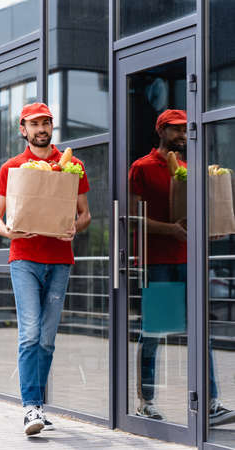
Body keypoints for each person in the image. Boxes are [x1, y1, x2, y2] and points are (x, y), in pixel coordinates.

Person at [0, 102, 91, 436]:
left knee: (47, 339)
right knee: (30, 333)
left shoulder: (72, 165)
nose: (42, 128)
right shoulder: (13, 168)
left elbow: (85, 214)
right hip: (24, 259)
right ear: (23, 129)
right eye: (35, 124)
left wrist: (75, 227)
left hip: (60, 260)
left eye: (46, 122)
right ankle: (30, 406)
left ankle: (39, 406)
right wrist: (9, 232)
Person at [129, 109, 235, 426]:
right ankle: (146, 402)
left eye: (184, 130)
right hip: (159, 262)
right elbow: (133, 219)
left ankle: (211, 404)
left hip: (189, 261)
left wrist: (212, 228)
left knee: (201, 332)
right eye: (175, 130)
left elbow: (197, 218)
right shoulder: (142, 168)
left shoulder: (190, 170)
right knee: (155, 332)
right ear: (161, 131)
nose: (181, 135)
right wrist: (170, 229)